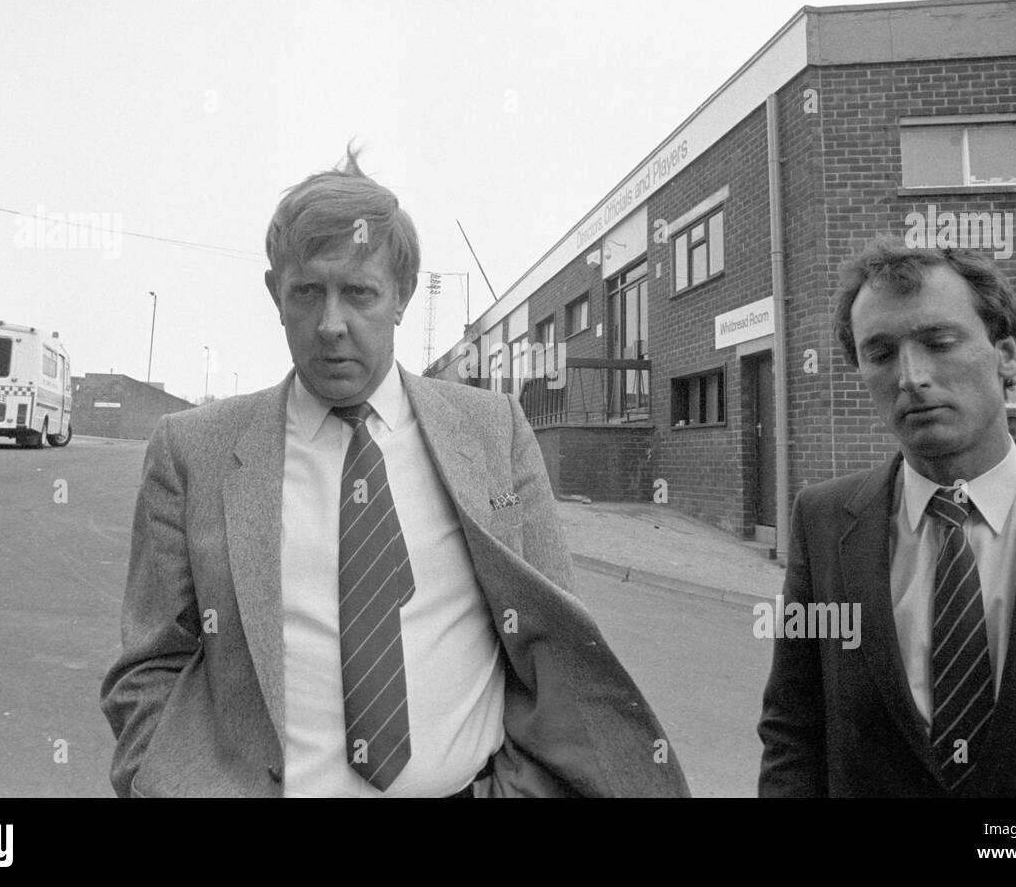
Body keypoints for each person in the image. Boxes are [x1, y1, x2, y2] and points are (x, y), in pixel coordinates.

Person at [100, 146, 689, 797]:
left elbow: (551, 658)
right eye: (307, 293)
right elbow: (148, 667)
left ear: (402, 296)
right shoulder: (191, 451)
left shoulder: (495, 434)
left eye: (358, 293)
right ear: (276, 293)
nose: (331, 326)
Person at [757, 237, 1016, 797]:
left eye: (939, 341)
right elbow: (794, 728)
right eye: (880, 353)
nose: (911, 376)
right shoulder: (822, 522)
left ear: (1008, 355)